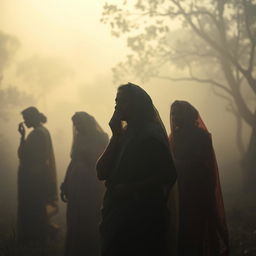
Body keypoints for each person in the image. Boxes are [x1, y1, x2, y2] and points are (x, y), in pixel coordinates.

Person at [97, 83, 177, 256]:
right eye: (116, 101)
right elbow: (101, 172)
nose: (117, 106)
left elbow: (168, 174)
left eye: (123, 101)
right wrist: (115, 135)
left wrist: (131, 188)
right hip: (118, 215)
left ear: (138, 104)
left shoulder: (150, 135)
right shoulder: (123, 134)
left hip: (142, 218)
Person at [169, 100, 229, 256]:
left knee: (200, 231)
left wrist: (179, 164)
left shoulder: (201, 136)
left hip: (198, 191)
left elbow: (204, 163)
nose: (175, 117)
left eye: (179, 113)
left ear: (188, 114)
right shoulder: (173, 137)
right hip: (180, 193)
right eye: (173, 113)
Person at [60, 112, 109, 256]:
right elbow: (73, 161)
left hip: (93, 184)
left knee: (91, 216)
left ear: (87, 122)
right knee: (76, 216)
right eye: (75, 124)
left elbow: (103, 160)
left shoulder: (101, 138)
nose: (77, 127)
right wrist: (65, 183)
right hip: (76, 183)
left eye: (79, 123)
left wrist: (88, 157)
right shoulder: (79, 137)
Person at [17, 106, 58, 244]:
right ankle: (40, 235)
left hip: (33, 177)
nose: (25, 122)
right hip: (38, 176)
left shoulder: (37, 134)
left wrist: (22, 137)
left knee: (32, 207)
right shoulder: (42, 131)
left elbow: (23, 155)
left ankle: (35, 237)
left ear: (33, 117)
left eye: (26, 119)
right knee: (37, 206)